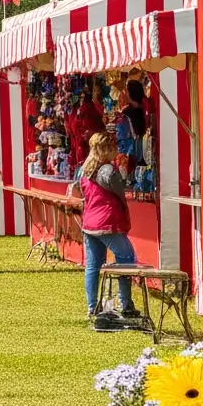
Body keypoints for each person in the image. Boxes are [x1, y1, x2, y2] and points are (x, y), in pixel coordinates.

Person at [74, 130, 138, 328]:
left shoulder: (84, 169)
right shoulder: (108, 170)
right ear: (108, 149)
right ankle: (125, 304)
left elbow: (78, 188)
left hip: (90, 222)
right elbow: (120, 191)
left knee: (93, 266)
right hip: (108, 221)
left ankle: (93, 306)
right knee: (126, 259)